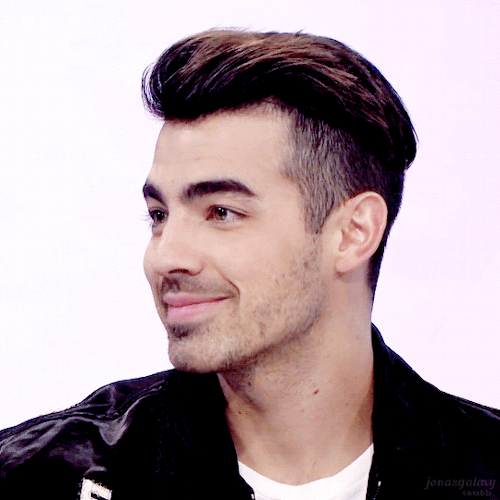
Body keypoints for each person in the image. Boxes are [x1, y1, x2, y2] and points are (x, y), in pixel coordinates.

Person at [0, 29, 499, 500]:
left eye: (221, 212)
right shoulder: (39, 478)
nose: (165, 258)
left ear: (353, 233)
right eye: (159, 215)